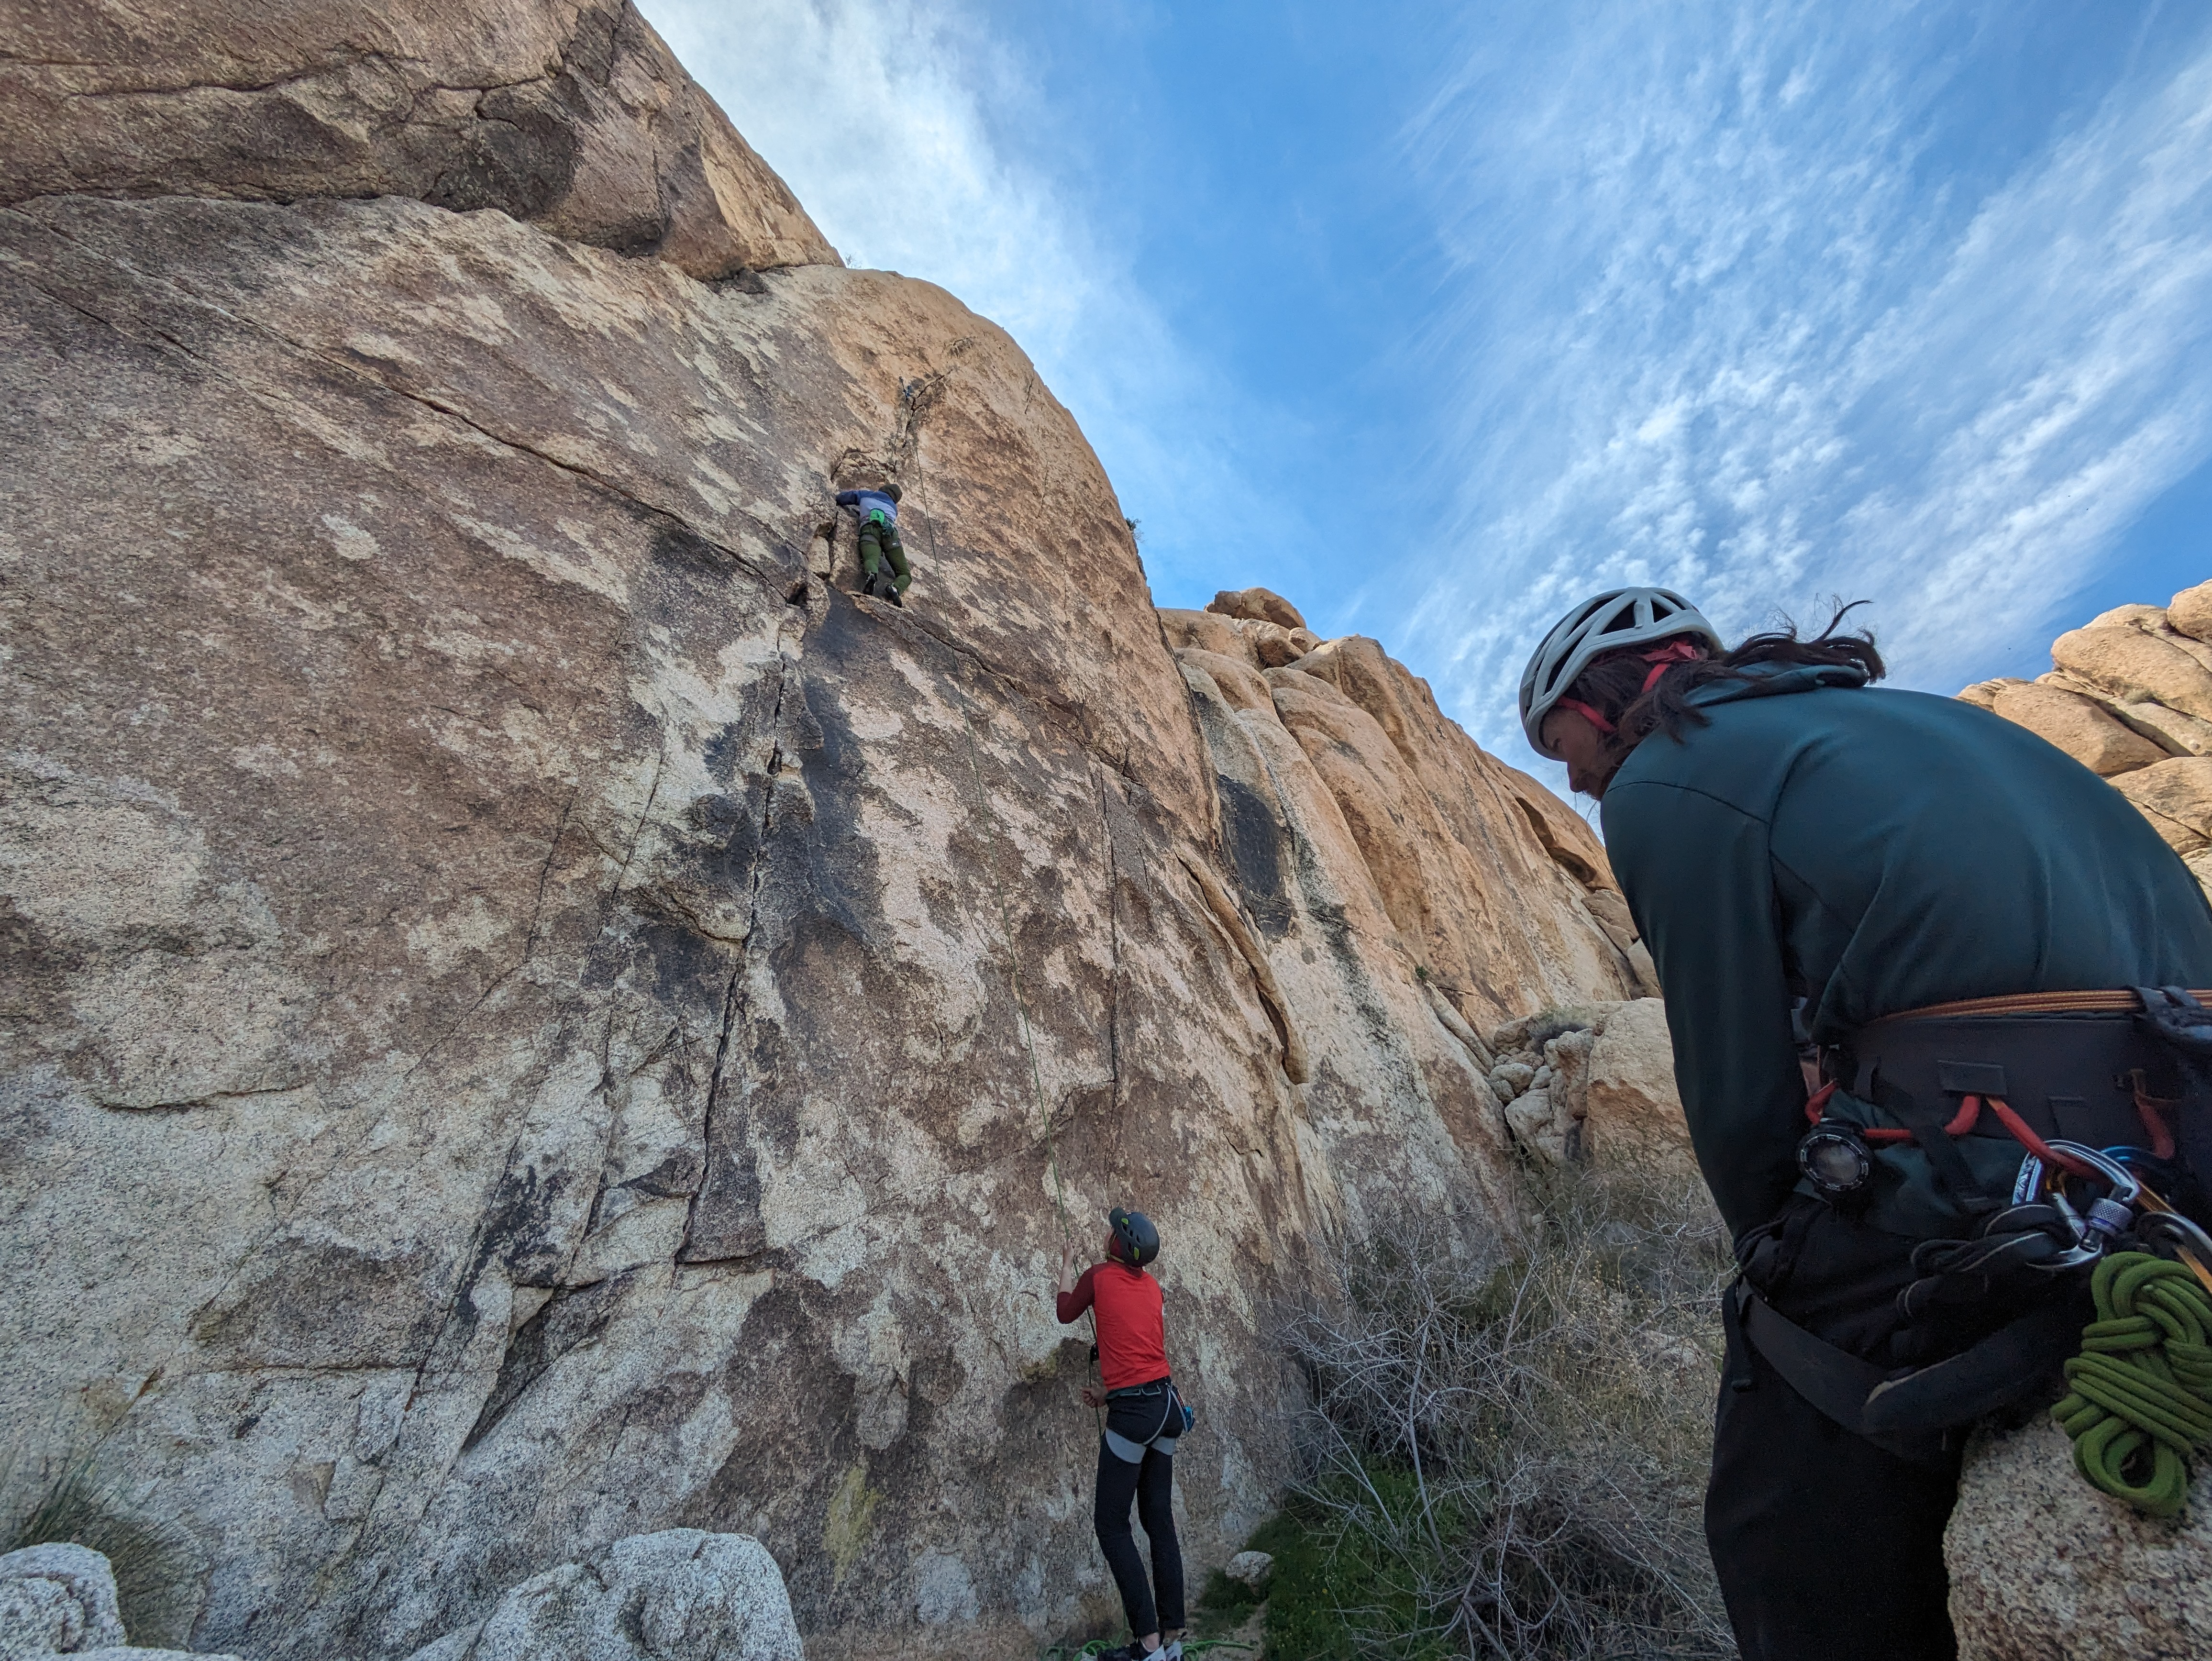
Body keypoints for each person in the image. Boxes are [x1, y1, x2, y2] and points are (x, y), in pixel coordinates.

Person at [1518, 587, 2212, 1661]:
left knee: (1775, 1506)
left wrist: (1773, 1254)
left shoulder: (1664, 774)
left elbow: (1730, 1072)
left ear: (1609, 699)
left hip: (2007, 1155)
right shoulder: (1931, 718)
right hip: (2181, 1138)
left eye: (1562, 743)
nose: (1570, 776)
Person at [1057, 1207, 1188, 1661]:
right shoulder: (1153, 1287)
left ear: (1119, 1243)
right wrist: (1109, 1393)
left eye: (1113, 1230)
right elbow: (1140, 1351)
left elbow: (1063, 1312)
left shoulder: (1098, 1276)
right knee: (1158, 1521)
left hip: (1135, 1413)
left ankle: (1148, 1644)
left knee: (1111, 1525)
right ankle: (1173, 1638)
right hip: (1165, 1406)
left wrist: (1065, 1261)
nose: (1107, 1231)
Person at [834, 482, 910, 605]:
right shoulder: (894, 508)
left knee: (871, 558)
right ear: (896, 499)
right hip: (891, 535)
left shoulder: (867, 495)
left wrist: (838, 498)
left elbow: (848, 497)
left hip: (870, 529)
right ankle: (895, 588)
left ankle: (872, 575)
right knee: (905, 573)